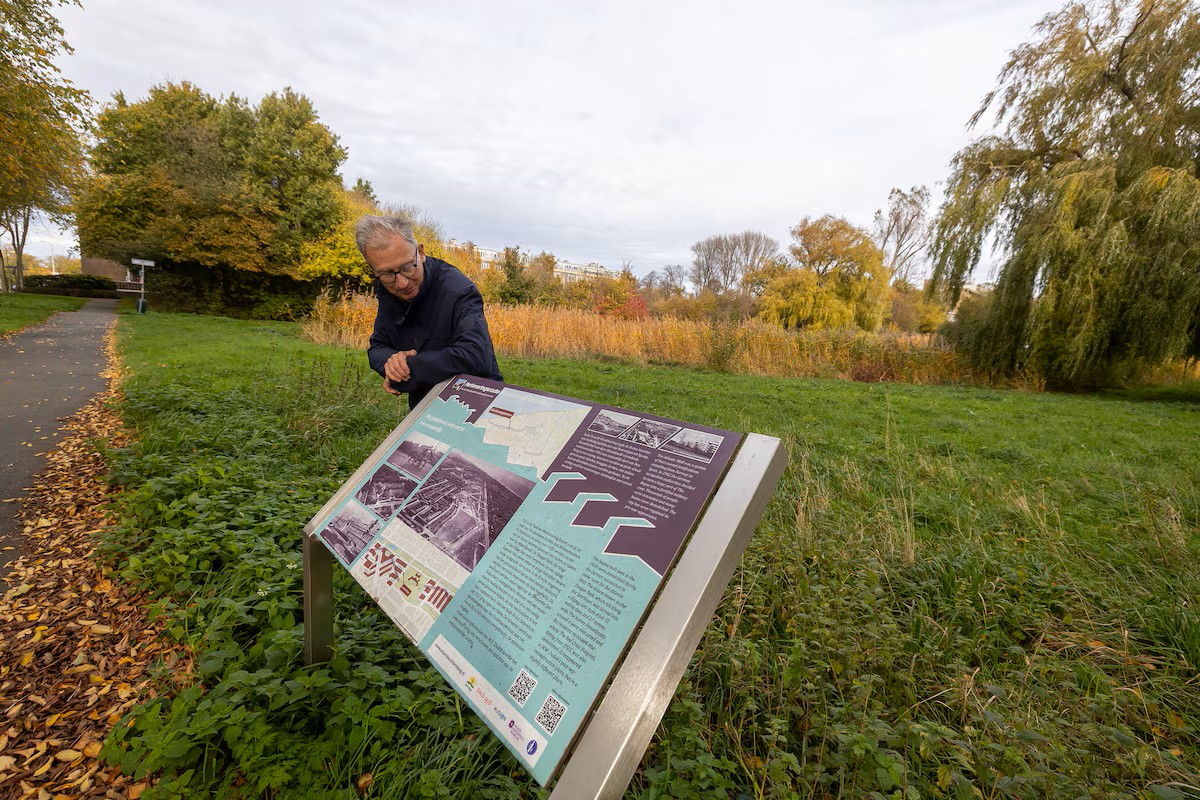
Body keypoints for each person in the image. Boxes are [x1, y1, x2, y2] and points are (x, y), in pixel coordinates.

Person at [357, 215, 502, 407]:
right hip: (424, 405)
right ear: (373, 269)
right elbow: (378, 347)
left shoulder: (460, 290)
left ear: (421, 252)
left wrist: (404, 370)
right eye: (387, 273)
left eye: (407, 267)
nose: (402, 283)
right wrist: (390, 364)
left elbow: (475, 356)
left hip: (477, 402)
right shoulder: (386, 286)